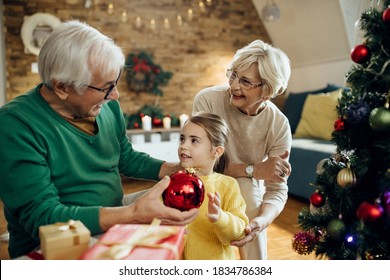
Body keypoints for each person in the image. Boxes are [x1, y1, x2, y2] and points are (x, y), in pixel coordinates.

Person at [0, 20, 198, 259]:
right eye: (106, 87)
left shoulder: (106, 105)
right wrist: (133, 214)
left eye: (115, 82)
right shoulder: (15, 124)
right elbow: (43, 218)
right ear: (62, 86)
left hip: (114, 215)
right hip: (53, 247)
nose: (115, 95)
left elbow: (124, 155)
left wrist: (173, 169)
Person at [192, 39, 292, 260]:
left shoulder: (279, 125)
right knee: (246, 186)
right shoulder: (208, 101)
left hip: (245, 192)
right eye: (233, 74)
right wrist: (254, 170)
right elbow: (200, 163)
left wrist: (262, 222)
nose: (234, 85)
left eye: (245, 81)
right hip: (205, 180)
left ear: (267, 90)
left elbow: (277, 189)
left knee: (249, 197)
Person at [178, 112, 249, 259]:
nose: (183, 146)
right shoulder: (173, 182)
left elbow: (240, 232)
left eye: (194, 141)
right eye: (182, 139)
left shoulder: (228, 186)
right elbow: (157, 221)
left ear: (216, 151)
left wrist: (220, 217)